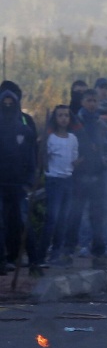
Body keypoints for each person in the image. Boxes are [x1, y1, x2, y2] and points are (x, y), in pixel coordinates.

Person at [62, 89, 107, 271]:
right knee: (74, 215)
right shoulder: (75, 123)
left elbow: (106, 147)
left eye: (94, 101)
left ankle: (98, 254)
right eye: (89, 100)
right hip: (79, 176)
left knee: (97, 217)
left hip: (97, 175)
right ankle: (67, 252)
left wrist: (106, 158)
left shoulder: (101, 124)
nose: (92, 104)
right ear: (82, 102)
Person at [79, 78, 107, 259]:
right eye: (101, 88)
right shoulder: (81, 117)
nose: (104, 92)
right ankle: (84, 244)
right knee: (86, 206)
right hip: (86, 168)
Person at [0, 81, 37, 274]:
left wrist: (30, 181)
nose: (7, 105)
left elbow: (31, 157)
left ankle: (34, 261)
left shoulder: (24, 127)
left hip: (19, 184)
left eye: (10, 102)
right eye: (3, 102)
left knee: (22, 221)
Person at [41, 106, 78, 268]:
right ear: (55, 119)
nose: (63, 118)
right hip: (54, 181)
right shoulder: (50, 139)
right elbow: (43, 158)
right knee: (52, 219)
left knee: (63, 220)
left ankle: (56, 254)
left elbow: (74, 159)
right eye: (60, 115)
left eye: (66, 115)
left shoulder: (73, 139)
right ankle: (41, 255)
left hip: (67, 181)